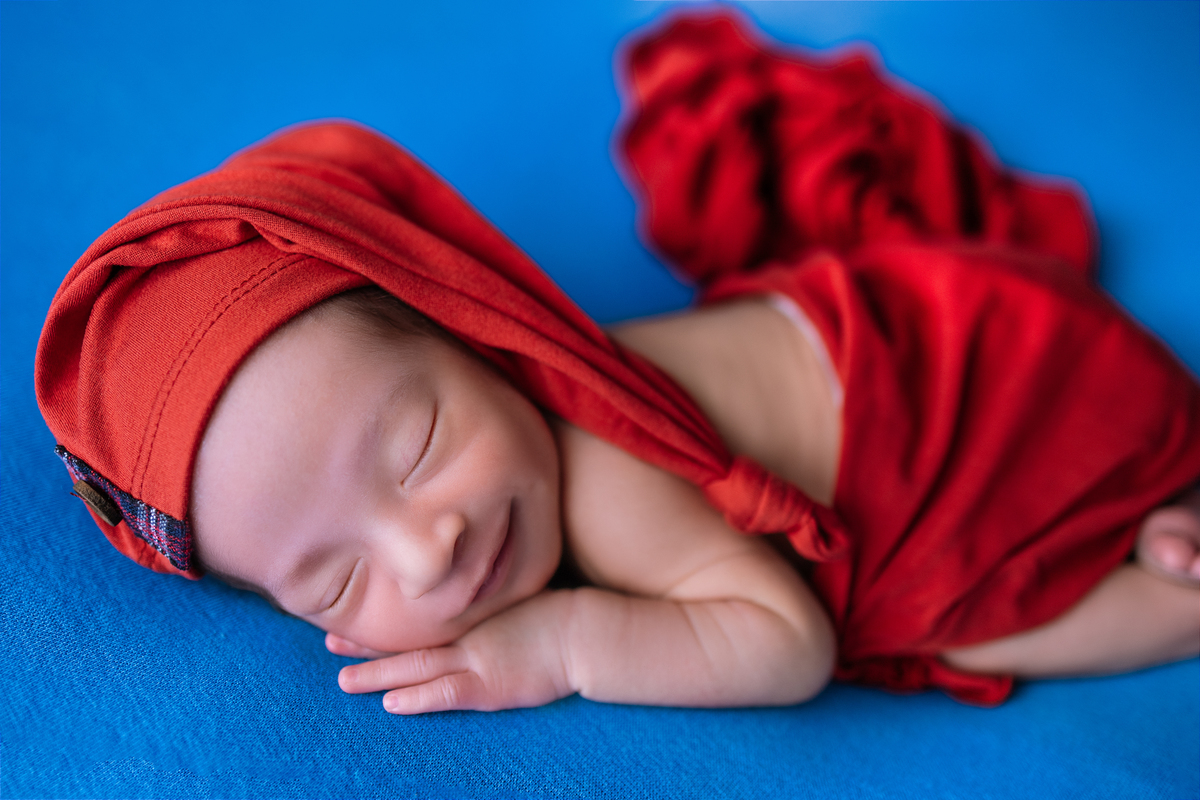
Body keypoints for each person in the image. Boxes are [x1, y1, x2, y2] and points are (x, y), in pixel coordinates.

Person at [35, 12, 1200, 714]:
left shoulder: (600, 467)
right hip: (923, 307)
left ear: (478, 330)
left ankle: (1170, 582)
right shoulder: (507, 465)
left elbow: (783, 644)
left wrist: (566, 641)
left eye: (419, 444)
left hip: (983, 386)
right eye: (335, 585)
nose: (426, 543)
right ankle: (1151, 502)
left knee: (977, 623)